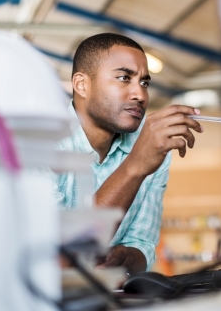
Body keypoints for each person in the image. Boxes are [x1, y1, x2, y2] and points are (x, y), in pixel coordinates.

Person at [55, 33, 203, 274]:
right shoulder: (39, 147)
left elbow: (142, 245)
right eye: (124, 78)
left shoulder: (153, 147)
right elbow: (57, 261)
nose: (140, 95)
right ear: (82, 84)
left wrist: (125, 258)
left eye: (144, 83)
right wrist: (134, 166)